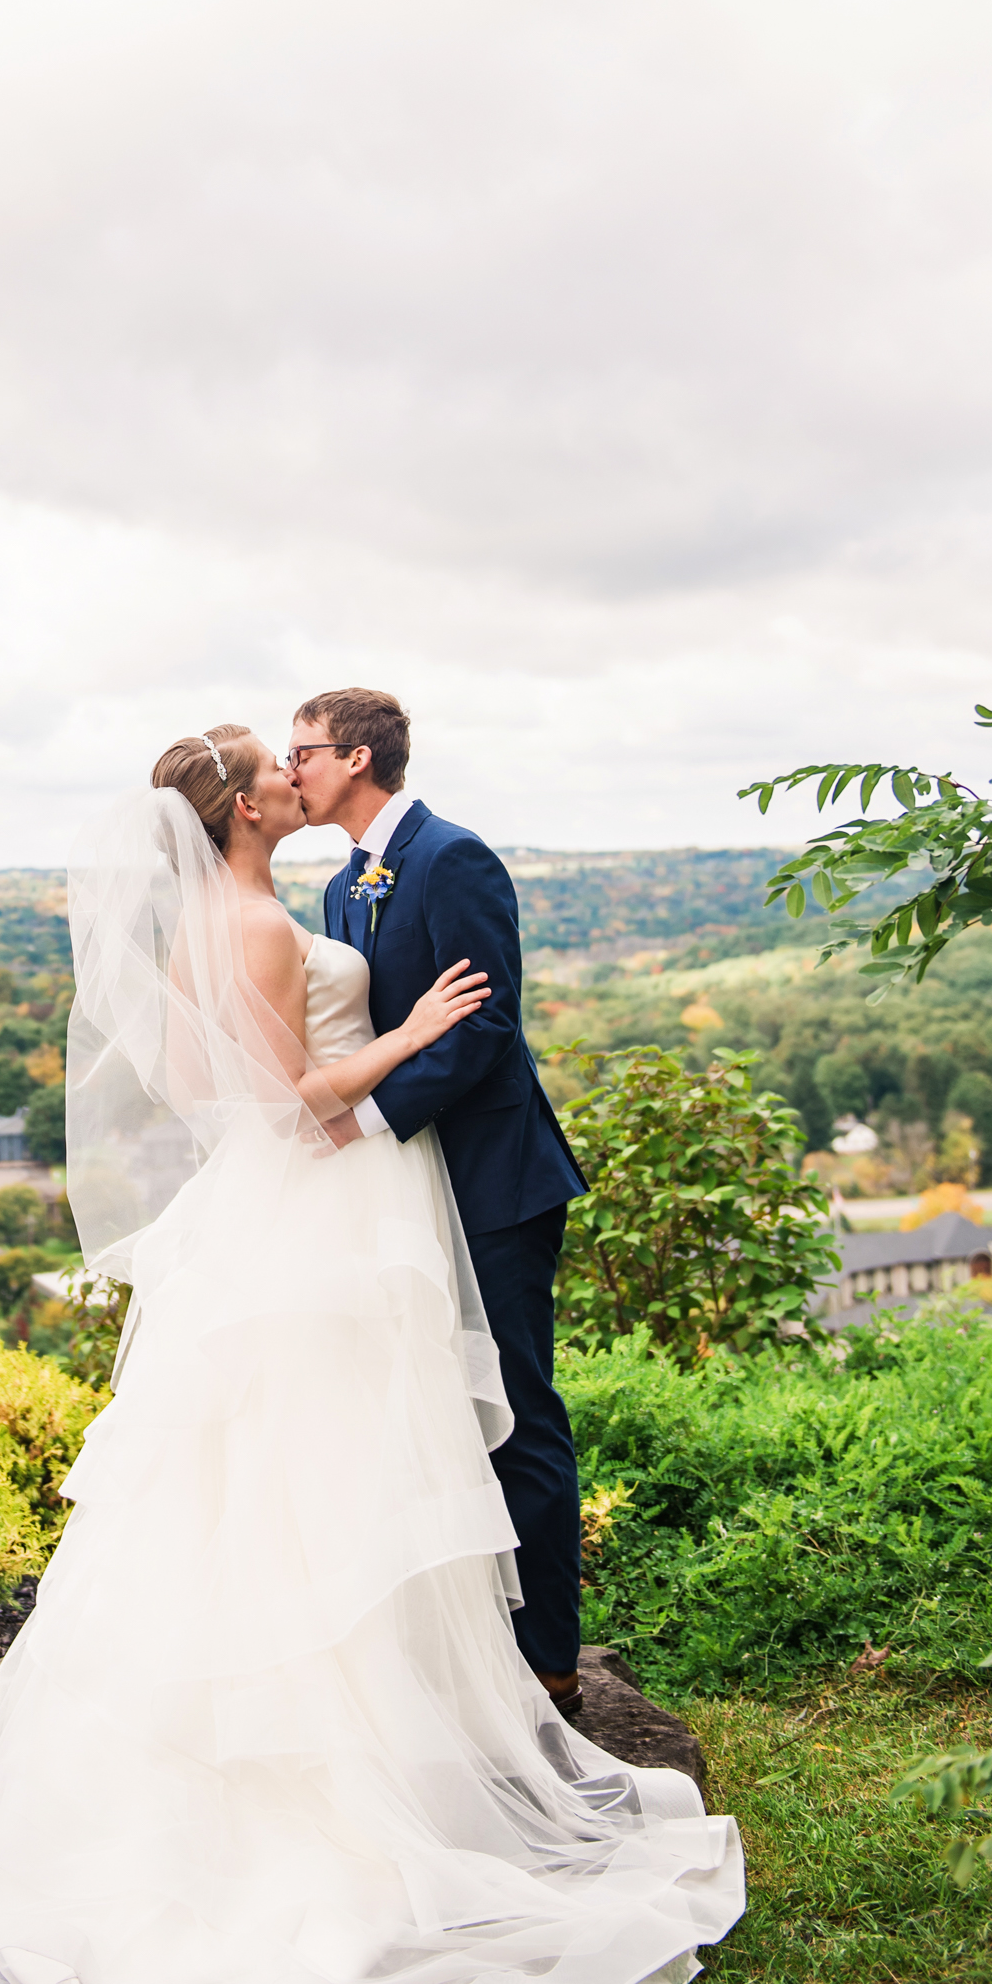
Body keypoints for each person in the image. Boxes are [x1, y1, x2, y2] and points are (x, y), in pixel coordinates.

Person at [0, 725, 744, 1984]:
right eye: (274, 762)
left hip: (303, 1221)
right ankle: (352, 1769)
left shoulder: (255, 907)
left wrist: (390, 1047)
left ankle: (416, 1714)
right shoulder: (257, 920)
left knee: (305, 1475)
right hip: (323, 1213)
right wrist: (413, 1036)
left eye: (303, 751)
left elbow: (230, 1090)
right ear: (250, 804)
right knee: (332, 1474)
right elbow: (292, 1105)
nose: (291, 772)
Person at [288, 688, 587, 1714]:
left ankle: (549, 1663)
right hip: (397, 1200)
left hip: (490, 1181)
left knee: (516, 1416)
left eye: (306, 752)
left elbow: (482, 1028)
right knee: (426, 1416)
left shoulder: (452, 857)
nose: (290, 772)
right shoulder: (337, 888)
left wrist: (359, 1129)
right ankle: (460, 1649)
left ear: (361, 756)